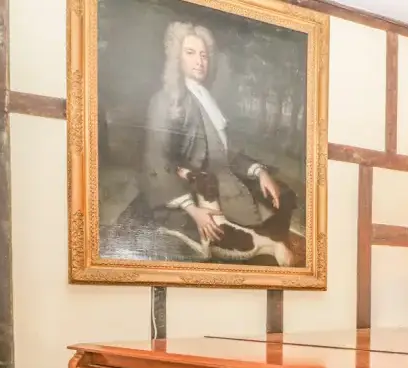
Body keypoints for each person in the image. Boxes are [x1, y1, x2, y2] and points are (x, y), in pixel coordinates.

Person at [124, 21, 297, 260]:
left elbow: (226, 150)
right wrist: (192, 209)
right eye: (191, 53)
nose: (199, 61)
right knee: (247, 240)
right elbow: (156, 160)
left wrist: (259, 172)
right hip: (194, 189)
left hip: (226, 180)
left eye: (204, 55)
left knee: (284, 195)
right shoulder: (165, 101)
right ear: (177, 57)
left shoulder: (206, 97)